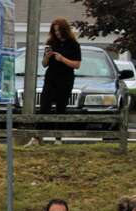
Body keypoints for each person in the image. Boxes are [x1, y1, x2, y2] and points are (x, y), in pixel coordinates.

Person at [27, 18, 81, 146]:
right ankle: (37, 138)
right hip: (50, 78)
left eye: (59, 30)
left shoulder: (73, 44)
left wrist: (62, 59)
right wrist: (47, 57)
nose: (57, 33)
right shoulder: (51, 42)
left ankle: (58, 139)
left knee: (60, 108)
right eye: (54, 30)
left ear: (64, 30)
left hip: (65, 79)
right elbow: (44, 64)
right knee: (44, 106)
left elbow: (77, 64)